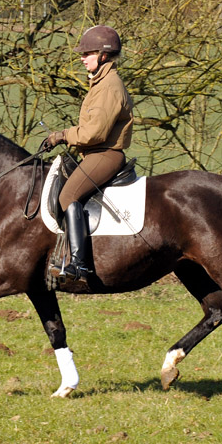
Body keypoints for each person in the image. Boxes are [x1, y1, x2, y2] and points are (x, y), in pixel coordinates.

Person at [47, 25, 134, 284]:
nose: (82, 58)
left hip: (105, 154)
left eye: (88, 53)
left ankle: (79, 266)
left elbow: (94, 132)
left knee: (68, 195)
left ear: (104, 56)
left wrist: (63, 135)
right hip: (94, 154)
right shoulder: (100, 82)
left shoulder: (109, 85)